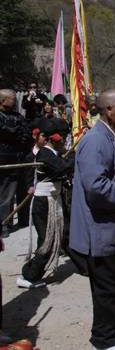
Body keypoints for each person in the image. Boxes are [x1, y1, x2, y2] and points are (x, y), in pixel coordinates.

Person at [69, 89, 115, 350]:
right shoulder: (96, 140)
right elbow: (96, 186)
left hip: (114, 223)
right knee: (108, 286)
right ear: (109, 110)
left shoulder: (112, 137)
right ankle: (106, 339)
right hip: (98, 228)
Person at [17, 118, 74, 288]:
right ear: (55, 138)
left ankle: (33, 273)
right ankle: (29, 275)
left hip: (52, 200)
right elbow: (62, 168)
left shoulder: (53, 154)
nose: (64, 140)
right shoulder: (44, 154)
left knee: (56, 236)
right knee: (47, 240)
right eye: (63, 137)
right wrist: (76, 158)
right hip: (43, 203)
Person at [0, 89, 31, 238]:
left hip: (20, 158)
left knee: (22, 190)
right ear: (3, 100)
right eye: (12, 99)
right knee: (5, 193)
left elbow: (25, 133)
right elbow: (7, 132)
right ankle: (4, 222)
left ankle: (23, 219)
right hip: (4, 160)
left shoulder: (18, 116)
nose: (15, 102)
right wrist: (14, 132)